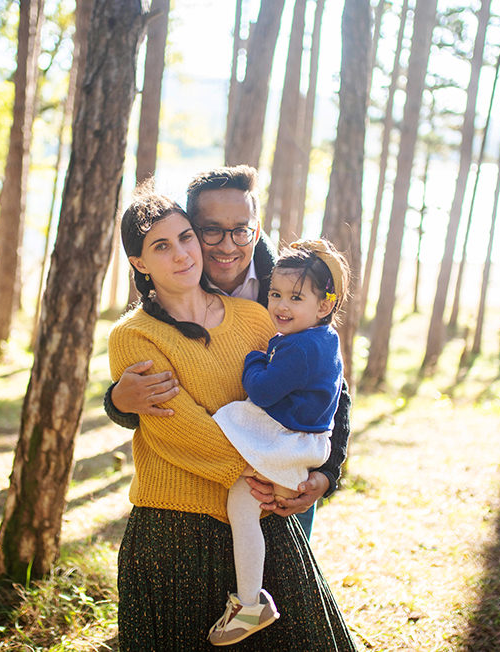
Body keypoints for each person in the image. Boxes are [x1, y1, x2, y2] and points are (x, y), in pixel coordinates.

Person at [109, 188, 356, 650]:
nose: (183, 253)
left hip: (261, 516)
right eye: (162, 246)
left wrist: (320, 473)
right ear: (139, 262)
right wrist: (271, 468)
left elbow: (324, 392)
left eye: (185, 238)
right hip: (176, 528)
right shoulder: (133, 335)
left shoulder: (257, 316)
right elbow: (177, 427)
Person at [104, 165, 351, 539]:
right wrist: (117, 402)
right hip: (218, 484)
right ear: (193, 228)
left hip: (290, 474)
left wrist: (327, 474)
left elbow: (332, 384)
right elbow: (162, 392)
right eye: (211, 231)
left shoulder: (290, 282)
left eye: (241, 230)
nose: (227, 245)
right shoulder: (177, 276)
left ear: (255, 227)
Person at [208, 239, 350, 646]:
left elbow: (265, 391)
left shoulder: (301, 347)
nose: (281, 306)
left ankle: (250, 603)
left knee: (231, 441)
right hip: (301, 443)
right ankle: (251, 600)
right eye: (275, 294)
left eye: (295, 298)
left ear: (323, 306)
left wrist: (254, 359)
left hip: (288, 443)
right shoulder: (322, 339)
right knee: (243, 504)